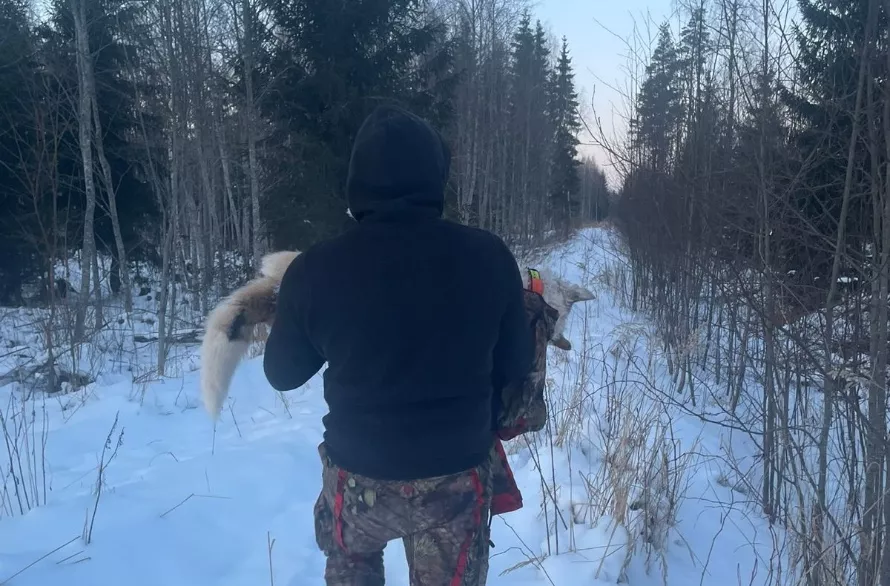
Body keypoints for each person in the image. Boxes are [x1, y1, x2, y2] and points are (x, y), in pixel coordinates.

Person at [262, 104, 535, 586]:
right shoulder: (489, 257)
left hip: (358, 477)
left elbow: (283, 374)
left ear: (357, 183)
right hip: (456, 476)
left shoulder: (315, 269)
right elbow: (517, 364)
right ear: (436, 176)